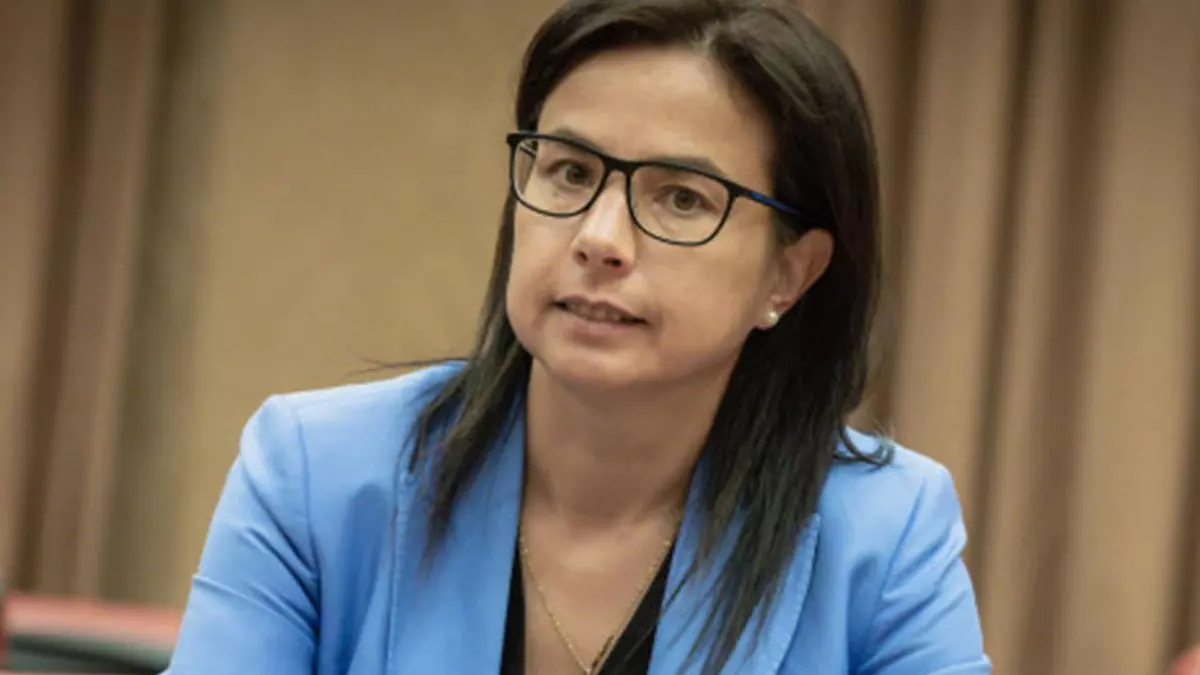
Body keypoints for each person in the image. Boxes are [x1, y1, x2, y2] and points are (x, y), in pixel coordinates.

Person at [163, 0, 990, 673]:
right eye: (570, 171)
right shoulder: (314, 476)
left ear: (789, 274)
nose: (600, 238)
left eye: (682, 198)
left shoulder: (884, 535)